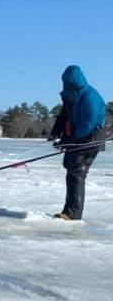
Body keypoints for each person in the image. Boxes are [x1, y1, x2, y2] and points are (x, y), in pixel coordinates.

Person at [48, 64, 106, 220]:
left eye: (68, 83)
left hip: (91, 138)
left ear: (76, 82)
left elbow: (88, 124)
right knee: (71, 167)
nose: (65, 85)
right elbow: (63, 115)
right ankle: (69, 211)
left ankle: (72, 214)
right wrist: (56, 132)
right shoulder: (71, 96)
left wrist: (69, 139)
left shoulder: (90, 97)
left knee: (77, 173)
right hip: (77, 136)